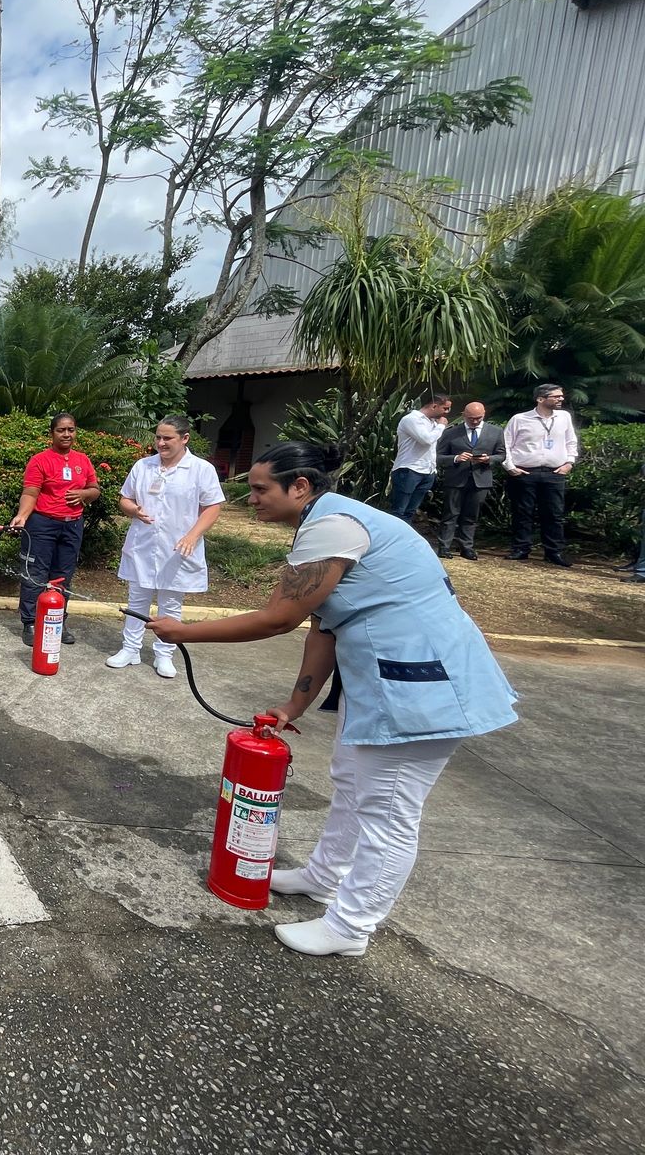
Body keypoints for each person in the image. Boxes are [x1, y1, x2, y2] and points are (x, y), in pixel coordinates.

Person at [147, 441, 518, 958]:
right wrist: (294, 706)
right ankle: (323, 877)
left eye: (260, 488)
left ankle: (351, 927)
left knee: (387, 813)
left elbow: (279, 618)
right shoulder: (327, 523)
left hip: (422, 688)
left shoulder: (333, 526)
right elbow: (323, 627)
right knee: (350, 782)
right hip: (382, 683)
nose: (251, 499)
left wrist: (184, 632)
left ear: (299, 486)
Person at [105, 415, 225, 679]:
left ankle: (164, 654)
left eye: (167, 438)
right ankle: (130, 649)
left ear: (185, 438)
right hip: (143, 545)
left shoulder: (200, 469)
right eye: (158, 437)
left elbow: (212, 507)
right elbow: (125, 498)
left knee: (170, 604)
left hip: (177, 549)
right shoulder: (143, 466)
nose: (160, 443)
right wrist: (134, 510)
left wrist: (193, 535)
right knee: (137, 599)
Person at [9, 413, 101, 646]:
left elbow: (94, 489)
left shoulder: (82, 460)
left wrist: (84, 494)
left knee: (63, 575)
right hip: (42, 524)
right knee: (35, 574)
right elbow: (30, 492)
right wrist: (22, 516)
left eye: (71, 429)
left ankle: (57, 620)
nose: (67, 434)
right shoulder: (40, 460)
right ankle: (31, 622)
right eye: (61, 430)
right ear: (52, 433)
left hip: (73, 525)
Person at [503, 383, 580, 566]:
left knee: (554, 514)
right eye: (556, 396)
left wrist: (569, 462)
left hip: (554, 472)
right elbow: (505, 444)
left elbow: (571, 441)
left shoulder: (564, 417)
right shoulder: (520, 419)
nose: (561, 399)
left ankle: (554, 552)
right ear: (540, 399)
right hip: (524, 472)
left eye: (561, 396)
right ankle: (521, 548)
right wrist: (510, 467)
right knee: (522, 512)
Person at [433, 402, 504, 560]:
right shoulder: (451, 432)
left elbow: (502, 455)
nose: (475, 421)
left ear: (484, 414)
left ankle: (466, 547)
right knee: (450, 514)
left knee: (471, 515)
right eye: (471, 418)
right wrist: (456, 458)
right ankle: (444, 546)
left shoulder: (496, 432)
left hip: (481, 479)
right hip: (456, 479)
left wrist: (489, 459)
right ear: (464, 415)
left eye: (478, 418)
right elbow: (438, 456)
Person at [388, 392, 452, 522]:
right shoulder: (412, 419)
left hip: (427, 471)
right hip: (409, 470)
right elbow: (426, 440)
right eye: (445, 408)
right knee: (398, 511)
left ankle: (405, 534)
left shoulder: (433, 422)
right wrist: (441, 426)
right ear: (434, 406)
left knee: (410, 511)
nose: (447, 412)